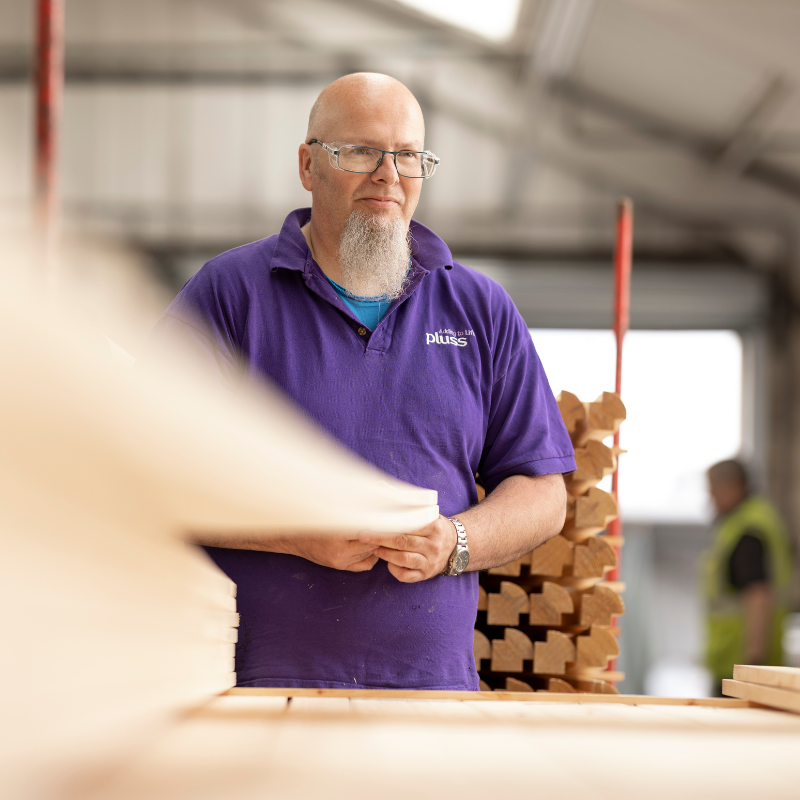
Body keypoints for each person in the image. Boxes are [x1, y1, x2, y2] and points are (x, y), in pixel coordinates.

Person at [144, 73, 576, 690]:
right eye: (362, 151)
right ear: (307, 164)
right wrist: (296, 533)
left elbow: (543, 492)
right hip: (251, 693)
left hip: (432, 699)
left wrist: (454, 540)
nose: (388, 174)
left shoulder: (480, 309)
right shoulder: (229, 293)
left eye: (408, 156)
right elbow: (147, 474)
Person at [703, 459, 793, 686]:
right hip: (740, 664)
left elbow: (758, 597)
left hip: (742, 666)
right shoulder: (751, 520)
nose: (711, 499)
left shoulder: (748, 530)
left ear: (733, 487)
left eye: (714, 491)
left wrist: (754, 664)